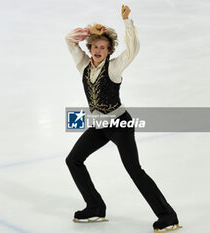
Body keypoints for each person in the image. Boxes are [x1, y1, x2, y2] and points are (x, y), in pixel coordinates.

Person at [65, 5, 181, 232]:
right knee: (73, 160)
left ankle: (168, 216)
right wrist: (90, 31)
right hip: (99, 126)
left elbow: (133, 49)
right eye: (95, 46)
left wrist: (127, 22)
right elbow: (69, 40)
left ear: (109, 51)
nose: (98, 50)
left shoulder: (114, 67)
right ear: (90, 49)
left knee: (133, 169)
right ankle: (95, 206)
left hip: (120, 125)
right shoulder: (83, 66)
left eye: (103, 47)